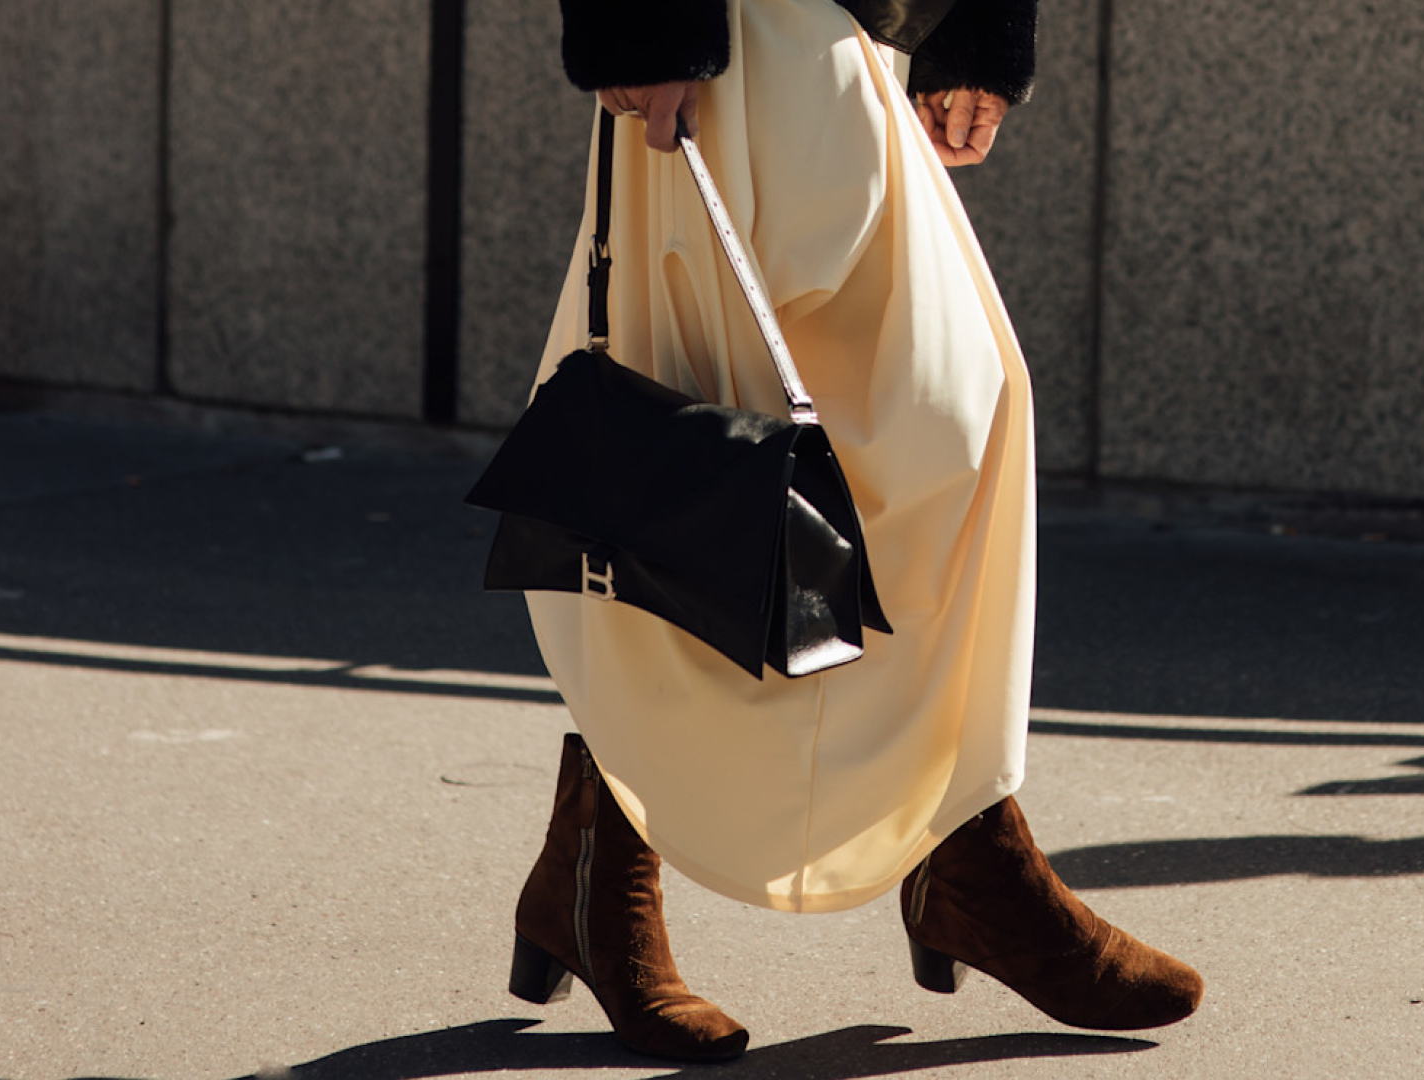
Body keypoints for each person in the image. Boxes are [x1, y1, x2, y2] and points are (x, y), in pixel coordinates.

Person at [503, 0, 1203, 1061]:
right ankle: (605, 870)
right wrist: (642, 26)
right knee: (709, 465)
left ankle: (962, 852)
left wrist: (974, 27)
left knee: (960, 420)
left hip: (845, 46)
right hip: (724, 51)